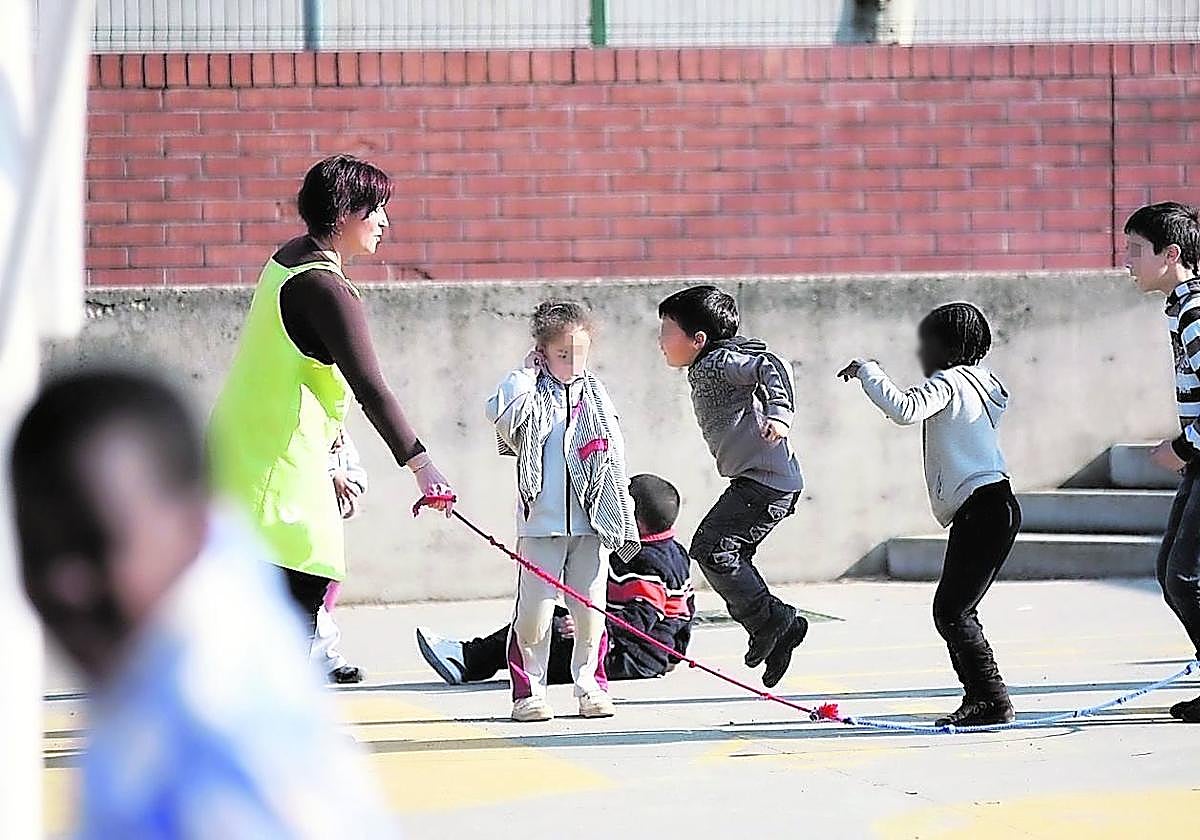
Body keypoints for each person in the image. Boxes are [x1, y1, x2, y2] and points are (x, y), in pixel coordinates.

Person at [10, 370, 395, 837]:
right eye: (36, 550)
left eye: (96, 545)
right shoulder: (203, 593)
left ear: (192, 527)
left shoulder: (213, 733)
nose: (63, 584)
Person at [208, 154, 454, 644]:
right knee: (300, 586)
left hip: (251, 450)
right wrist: (422, 467)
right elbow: (370, 387)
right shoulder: (324, 287)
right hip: (277, 463)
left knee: (265, 599)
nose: (384, 221)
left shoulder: (290, 257)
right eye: (373, 210)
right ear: (342, 214)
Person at [838, 302, 1020, 727]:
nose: (920, 356)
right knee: (955, 610)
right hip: (996, 504)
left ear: (946, 347)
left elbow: (903, 409)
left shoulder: (950, 383)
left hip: (982, 508)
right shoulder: (985, 382)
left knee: (953, 611)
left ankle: (991, 699)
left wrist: (869, 371)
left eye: (925, 346)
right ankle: (983, 698)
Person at [485, 301, 640, 722]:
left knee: (590, 613)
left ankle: (591, 685)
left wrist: (619, 509)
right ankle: (527, 693)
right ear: (543, 351)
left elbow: (615, 455)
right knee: (533, 615)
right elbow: (502, 415)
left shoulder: (597, 394)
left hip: (593, 523)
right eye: (562, 354)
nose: (572, 363)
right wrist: (526, 372)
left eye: (580, 354)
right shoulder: (529, 391)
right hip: (541, 526)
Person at [657, 286, 808, 688]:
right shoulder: (707, 364)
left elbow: (772, 365)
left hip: (767, 482)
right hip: (757, 480)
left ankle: (773, 622)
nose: (660, 341)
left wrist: (780, 414)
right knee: (725, 553)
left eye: (667, 331)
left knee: (711, 548)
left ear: (698, 340)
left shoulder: (721, 361)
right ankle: (776, 633)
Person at [416, 474, 694, 687]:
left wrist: (595, 626)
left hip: (628, 657)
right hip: (642, 655)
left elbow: (642, 617)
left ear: (636, 522)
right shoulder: (672, 551)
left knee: (542, 628)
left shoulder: (645, 562)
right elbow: (683, 613)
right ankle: (472, 657)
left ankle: (466, 660)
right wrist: (673, 654)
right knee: (550, 618)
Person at [1123, 201, 1200, 723]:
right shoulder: (1183, 308)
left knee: (1183, 577)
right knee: (1171, 570)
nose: (1126, 261)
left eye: (1135, 250)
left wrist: (1182, 448)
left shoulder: (1196, 313)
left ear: (1170, 254)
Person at [314, 430, 367, 684]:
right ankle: (324, 657)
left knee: (328, 581)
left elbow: (353, 467)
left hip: (325, 521)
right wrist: (331, 474)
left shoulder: (337, 429)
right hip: (291, 517)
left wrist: (351, 487)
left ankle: (321, 656)